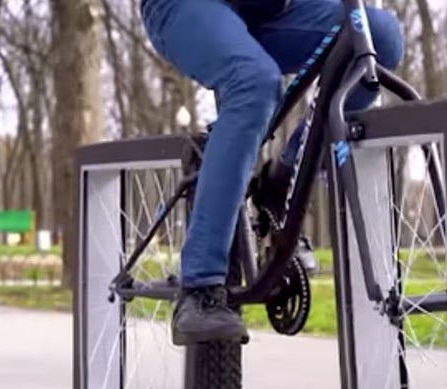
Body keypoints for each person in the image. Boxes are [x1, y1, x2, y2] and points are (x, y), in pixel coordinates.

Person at [140, 0, 404, 345]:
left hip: (271, 11)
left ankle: (284, 180)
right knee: (253, 80)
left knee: (377, 36)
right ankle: (199, 288)